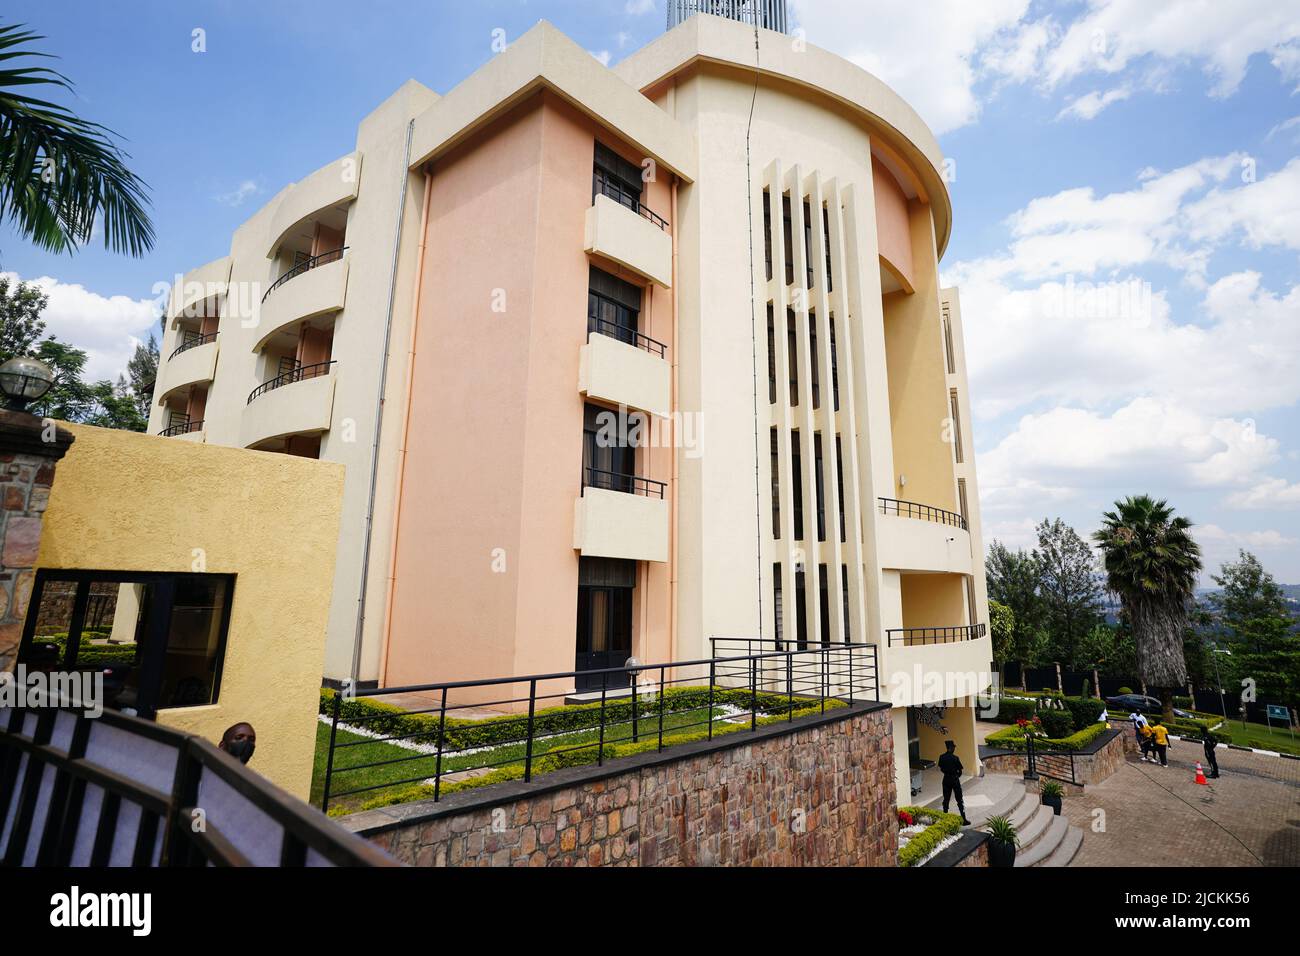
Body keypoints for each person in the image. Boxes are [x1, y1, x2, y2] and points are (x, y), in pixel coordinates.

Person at [937, 740, 970, 825]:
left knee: (946, 799)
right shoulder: (955, 758)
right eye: (953, 747)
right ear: (950, 748)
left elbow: (941, 768)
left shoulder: (942, 757)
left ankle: (944, 819)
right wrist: (956, 776)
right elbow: (960, 771)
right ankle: (964, 819)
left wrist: (947, 773)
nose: (954, 749)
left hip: (946, 779)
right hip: (955, 780)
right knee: (959, 800)